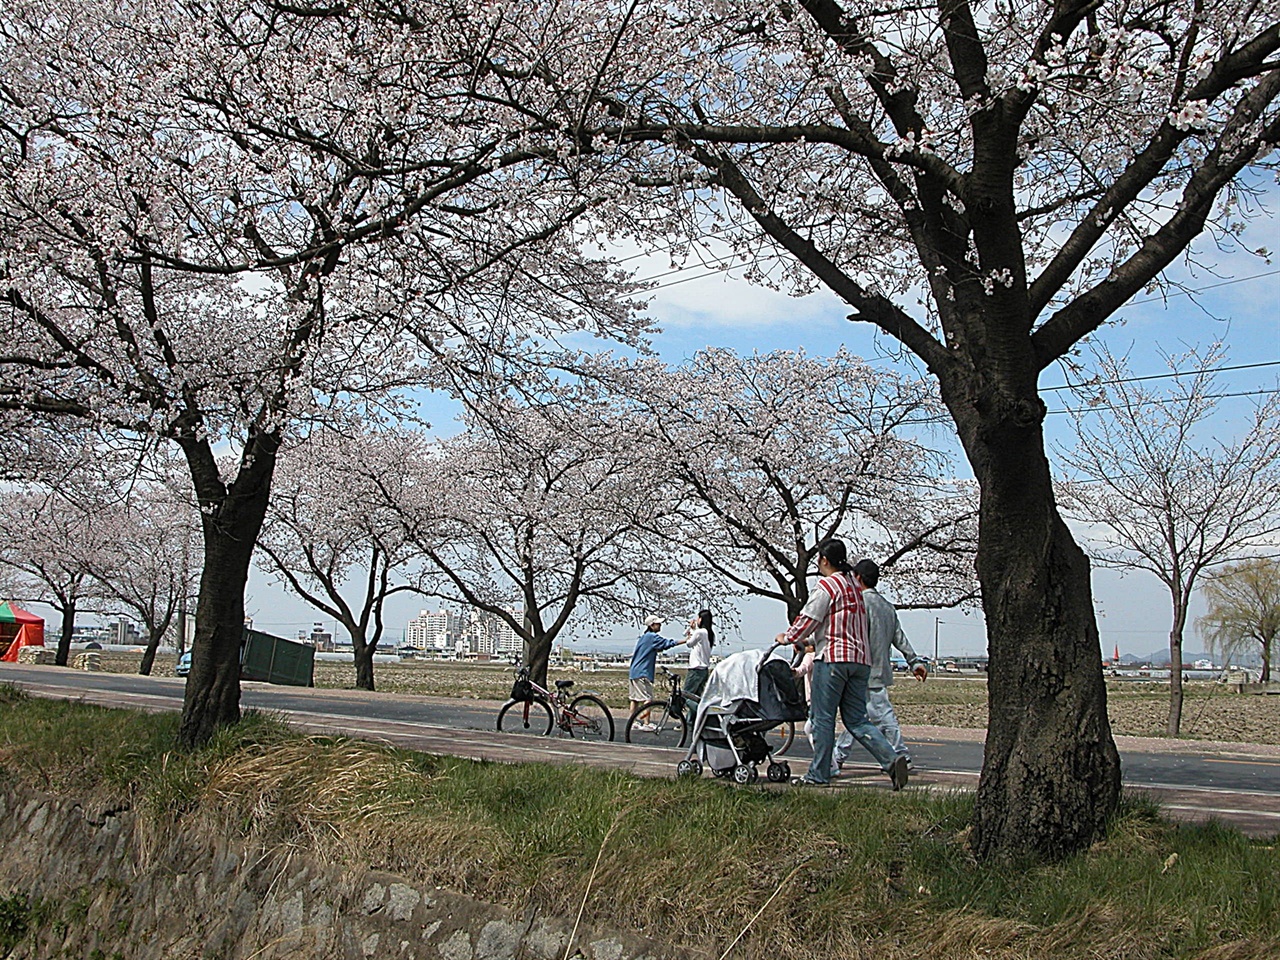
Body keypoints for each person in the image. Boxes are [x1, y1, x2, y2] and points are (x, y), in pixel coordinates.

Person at [776, 538, 908, 790]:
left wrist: (788, 637)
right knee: (857, 720)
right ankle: (891, 760)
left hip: (833, 660)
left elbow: (809, 618)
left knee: (822, 719)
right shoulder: (854, 587)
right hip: (860, 662)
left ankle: (819, 773)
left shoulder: (828, 586)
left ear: (824, 560)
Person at [833, 559, 928, 772]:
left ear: (858, 577)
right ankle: (841, 756)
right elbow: (899, 638)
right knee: (865, 717)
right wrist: (914, 661)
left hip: (861, 670)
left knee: (872, 717)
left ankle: (899, 755)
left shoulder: (858, 605)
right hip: (879, 672)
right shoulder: (887, 607)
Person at [629, 615, 682, 728]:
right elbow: (667, 643)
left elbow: (660, 647)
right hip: (643, 672)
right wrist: (685, 640)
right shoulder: (652, 637)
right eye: (658, 623)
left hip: (634, 671)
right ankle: (646, 723)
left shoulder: (644, 637)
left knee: (634, 698)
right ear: (652, 625)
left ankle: (632, 722)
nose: (660, 625)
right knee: (647, 698)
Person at [682, 609, 714, 724]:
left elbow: (689, 643)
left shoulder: (700, 632)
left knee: (685, 695)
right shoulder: (710, 633)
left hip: (695, 668)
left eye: (698, 618)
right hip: (704, 669)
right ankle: (690, 722)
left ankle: (703, 714)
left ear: (702, 619)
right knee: (696, 696)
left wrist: (692, 629)